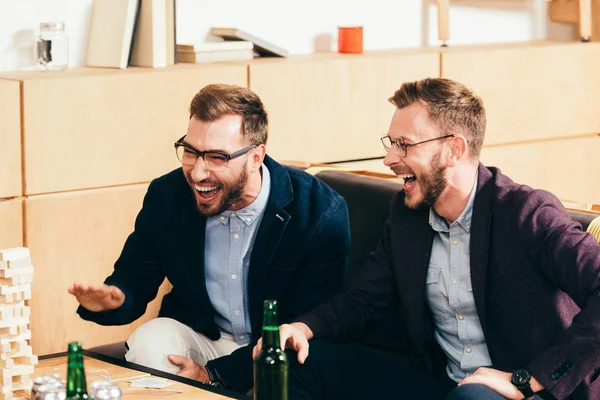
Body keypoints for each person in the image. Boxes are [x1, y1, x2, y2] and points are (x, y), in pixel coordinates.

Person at [253, 78, 600, 400]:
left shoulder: (526, 212)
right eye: (391, 144)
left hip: (526, 391)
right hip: (440, 383)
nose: (389, 158)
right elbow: (363, 301)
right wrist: (301, 328)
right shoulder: (408, 215)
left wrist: (525, 379)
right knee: (297, 361)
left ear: (454, 150)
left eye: (404, 145)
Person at [68, 84, 351, 394]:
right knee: (150, 340)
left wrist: (212, 374)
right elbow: (136, 275)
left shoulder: (319, 212)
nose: (198, 173)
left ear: (256, 157)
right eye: (190, 152)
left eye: (217, 157)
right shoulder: (167, 194)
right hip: (202, 335)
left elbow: (308, 321)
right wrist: (116, 298)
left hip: (273, 345)